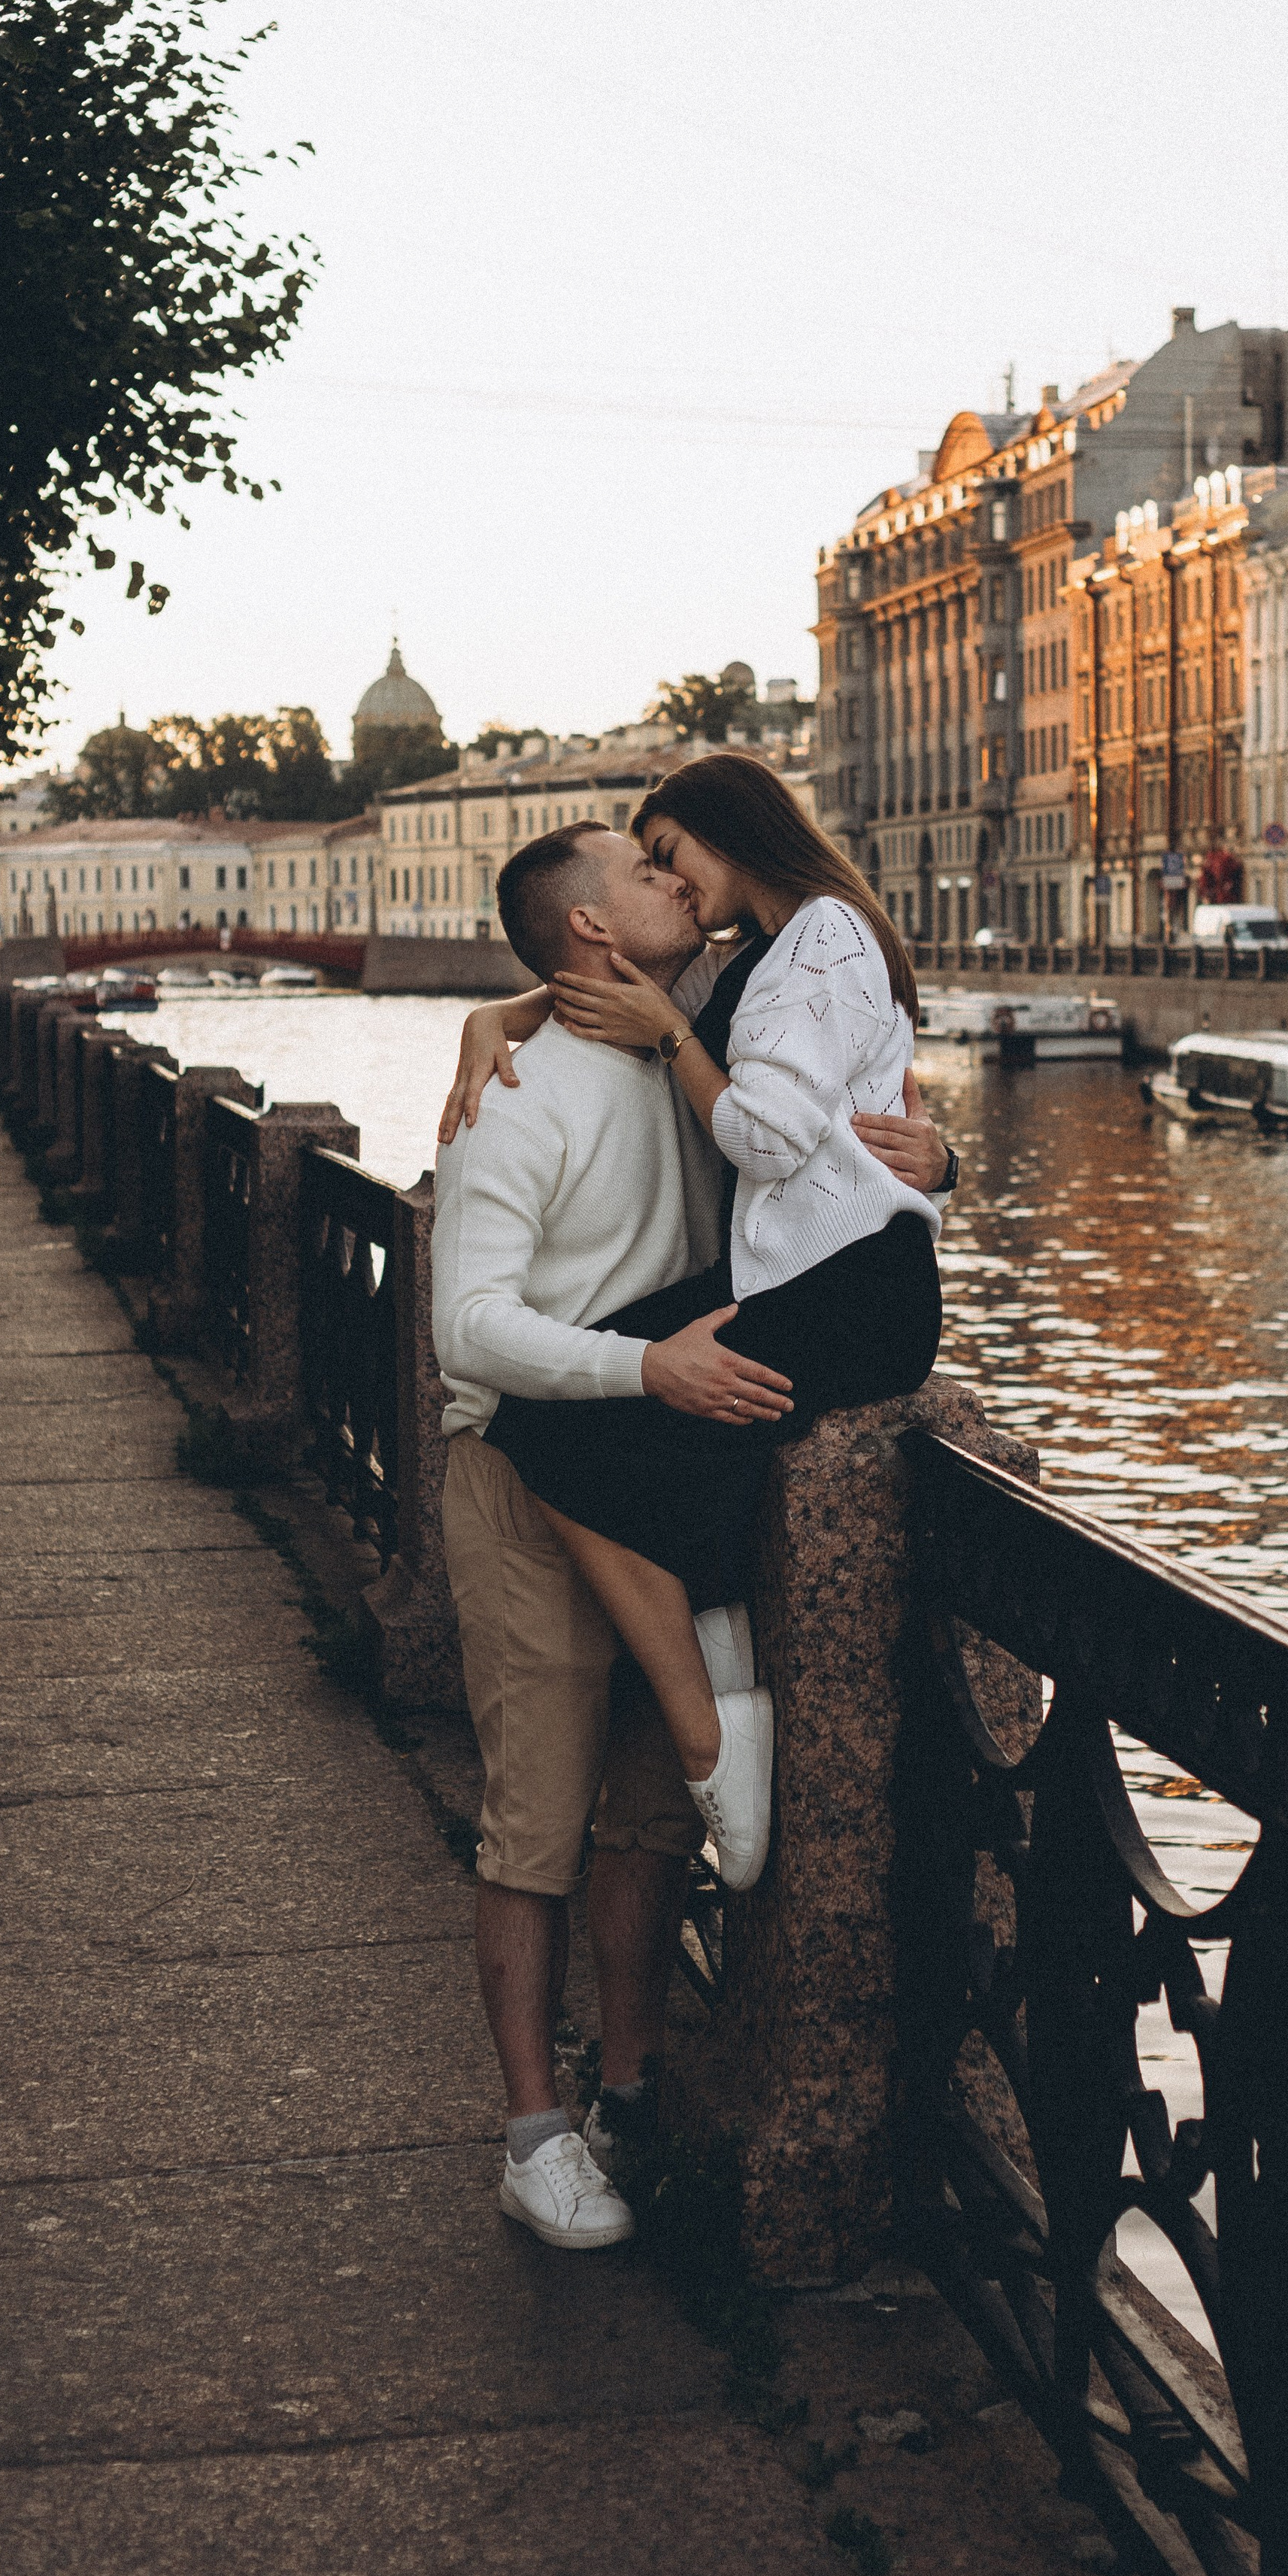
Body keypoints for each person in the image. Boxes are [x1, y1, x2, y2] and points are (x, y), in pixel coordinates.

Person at [432, 817, 949, 2249]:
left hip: (663, 1451)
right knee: (537, 1821)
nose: (680, 881)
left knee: (654, 1823)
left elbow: (820, 1065)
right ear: (596, 929)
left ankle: (636, 2093)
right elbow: (464, 1328)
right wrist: (642, 1368)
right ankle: (534, 2132)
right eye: (647, 870)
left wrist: (935, 1149)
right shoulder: (518, 1090)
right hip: (538, 1472)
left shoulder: (698, 1026)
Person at [468, 755, 947, 1901]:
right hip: (812, 1275)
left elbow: (771, 1142)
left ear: (730, 835)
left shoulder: (824, 936)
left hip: (852, 1291)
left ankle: (710, 1737)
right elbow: (611, 981)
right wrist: (499, 1010)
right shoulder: (764, 954)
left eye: (671, 855)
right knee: (587, 1419)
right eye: (652, 869)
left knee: (553, 1434)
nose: (673, 887)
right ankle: (728, 1692)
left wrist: (674, 1044)